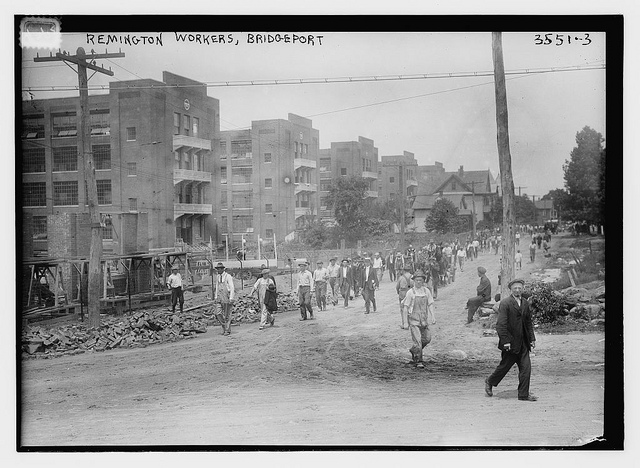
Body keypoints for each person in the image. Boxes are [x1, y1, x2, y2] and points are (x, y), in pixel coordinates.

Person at [485, 279, 537, 402]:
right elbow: (501, 325)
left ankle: (523, 395)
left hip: (523, 343)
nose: (518, 290)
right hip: (511, 344)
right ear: (511, 290)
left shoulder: (524, 302)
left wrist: (532, 338)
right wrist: (506, 341)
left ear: (523, 289)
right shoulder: (505, 303)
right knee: (504, 367)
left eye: (520, 288)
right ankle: (490, 381)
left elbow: (528, 322)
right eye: (515, 288)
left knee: (526, 369)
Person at [401, 270, 436, 369]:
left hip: (424, 320)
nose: (418, 282)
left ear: (424, 281)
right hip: (414, 320)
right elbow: (405, 308)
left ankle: (414, 350)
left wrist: (433, 316)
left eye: (420, 280)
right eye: (417, 280)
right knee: (418, 341)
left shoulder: (426, 291)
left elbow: (430, 304)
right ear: (413, 281)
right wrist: (405, 322)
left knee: (427, 338)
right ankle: (419, 361)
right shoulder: (410, 293)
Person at [213, 262, 236, 336]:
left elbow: (232, 287)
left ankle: (227, 330)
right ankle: (224, 326)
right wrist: (216, 297)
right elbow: (217, 287)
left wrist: (231, 298)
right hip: (220, 297)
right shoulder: (217, 277)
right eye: (217, 269)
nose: (218, 270)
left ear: (223, 269)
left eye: (220, 269)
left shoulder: (228, 276)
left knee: (227, 315)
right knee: (217, 313)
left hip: (226, 296)